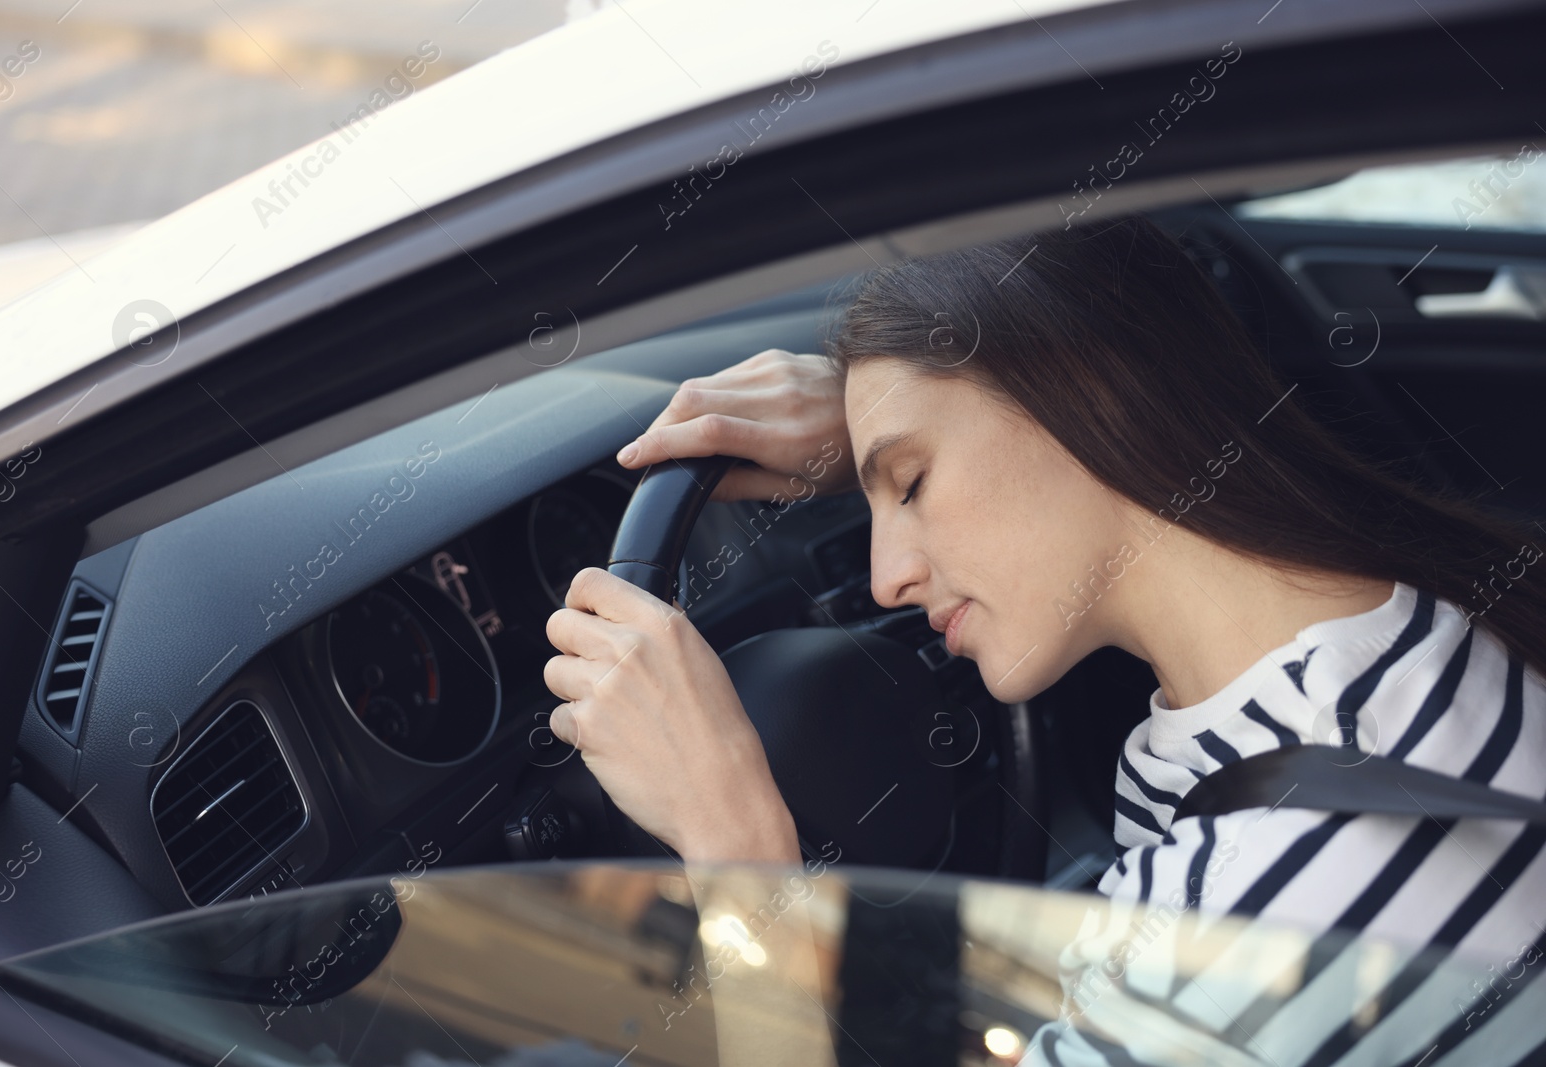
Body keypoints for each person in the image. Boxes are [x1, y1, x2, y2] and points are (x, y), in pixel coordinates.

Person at [542, 216, 1546, 1062]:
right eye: (879, 489)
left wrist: (735, 840)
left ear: (1088, 389)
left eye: (915, 482)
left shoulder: (1247, 922)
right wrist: (882, 425)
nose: (888, 577)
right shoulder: (1419, 627)